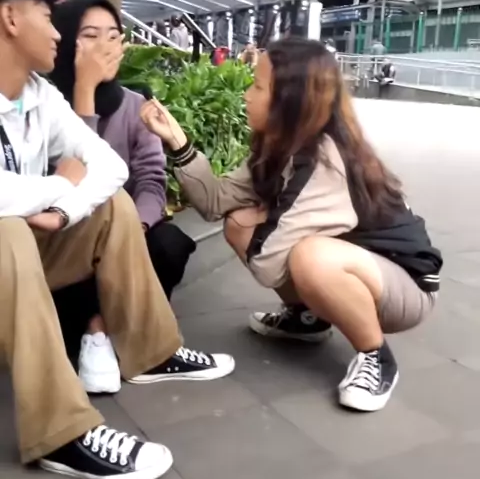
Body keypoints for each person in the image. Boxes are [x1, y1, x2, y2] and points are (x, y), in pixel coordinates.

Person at [0, 0, 234, 479]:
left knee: (114, 207)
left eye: (113, 35)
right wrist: (57, 187)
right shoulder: (59, 91)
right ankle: (60, 434)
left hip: (30, 259)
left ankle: (151, 351)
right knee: (9, 229)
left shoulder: (40, 96)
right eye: (49, 17)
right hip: (10, 256)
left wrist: (64, 210)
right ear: (10, 18)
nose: (56, 33)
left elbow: (111, 168)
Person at [140, 37, 442, 413]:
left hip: (405, 286)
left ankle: (375, 356)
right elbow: (216, 202)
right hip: (358, 264)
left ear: (290, 100)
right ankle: (306, 318)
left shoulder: (325, 159)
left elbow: (268, 263)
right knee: (241, 223)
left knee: (310, 256)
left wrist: (264, 217)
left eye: (257, 86)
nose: (246, 95)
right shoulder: (278, 146)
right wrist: (177, 141)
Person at [48, 0, 212, 395]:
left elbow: (152, 180)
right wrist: (84, 90)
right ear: (66, 41)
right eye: (90, 36)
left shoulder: (136, 106)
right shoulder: (47, 105)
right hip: (66, 237)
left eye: (113, 36)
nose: (105, 47)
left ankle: (103, 332)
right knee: (102, 218)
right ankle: (96, 331)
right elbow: (74, 180)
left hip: (127, 231)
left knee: (169, 243)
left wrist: (133, 229)